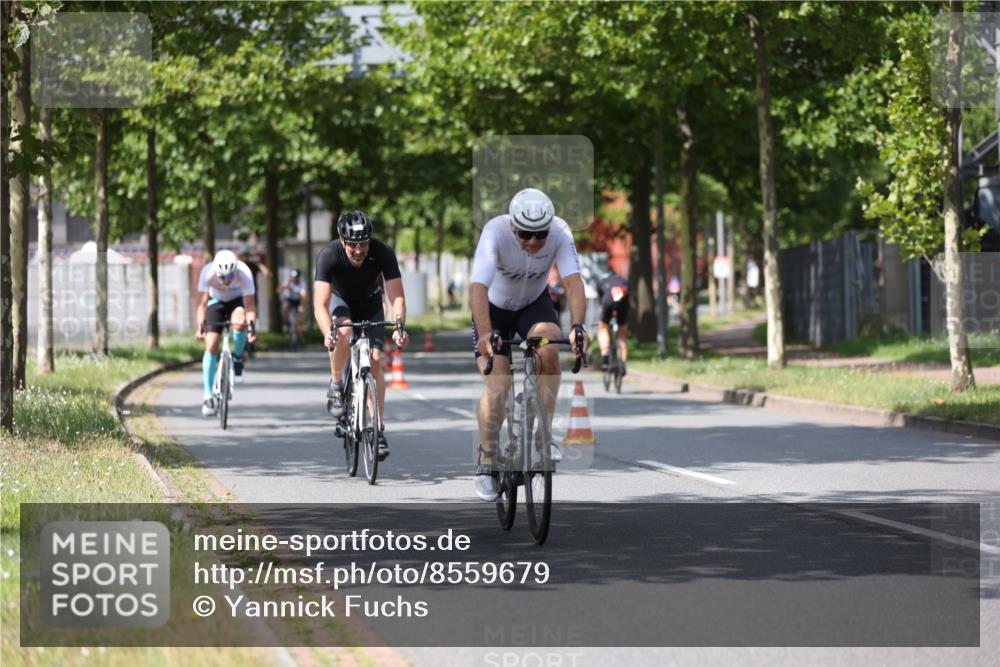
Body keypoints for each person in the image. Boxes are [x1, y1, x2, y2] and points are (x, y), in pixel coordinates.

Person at [470, 188, 590, 501]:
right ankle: (487, 458)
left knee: (549, 348)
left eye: (540, 234)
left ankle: (542, 437)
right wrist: (485, 333)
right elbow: (478, 287)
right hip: (493, 309)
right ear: (513, 226)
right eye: (526, 234)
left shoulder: (561, 232)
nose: (534, 242)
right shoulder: (494, 231)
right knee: (498, 383)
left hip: (532, 306)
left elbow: (573, 282)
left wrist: (578, 327)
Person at [313, 210, 409, 458]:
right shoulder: (328, 255)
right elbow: (319, 304)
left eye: (363, 244)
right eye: (353, 245)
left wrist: (399, 327)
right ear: (342, 240)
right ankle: (336, 384)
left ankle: (377, 428)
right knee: (343, 331)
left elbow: (397, 296)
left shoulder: (382, 252)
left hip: (371, 303)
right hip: (340, 300)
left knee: (376, 361)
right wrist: (327, 333)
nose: (358, 250)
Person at [195, 249, 257, 416]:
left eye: (230, 276)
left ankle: (238, 358)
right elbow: (201, 305)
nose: (226, 281)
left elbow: (250, 306)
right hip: (216, 302)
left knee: (239, 323)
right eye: (222, 277)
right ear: (216, 272)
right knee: (211, 344)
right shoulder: (207, 273)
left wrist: (251, 328)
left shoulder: (244, 273)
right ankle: (208, 396)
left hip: (237, 302)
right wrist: (200, 327)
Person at [597, 271, 629, 372]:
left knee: (603, 328)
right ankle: (623, 364)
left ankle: (605, 358)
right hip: (623, 300)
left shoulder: (602, 281)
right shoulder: (623, 280)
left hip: (608, 299)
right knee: (621, 332)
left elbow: (601, 300)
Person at [277, 268, 307, 340]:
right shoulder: (288, 282)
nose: (294, 278)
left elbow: (304, 295)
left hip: (298, 301)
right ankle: (287, 322)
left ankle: (299, 337)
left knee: (299, 320)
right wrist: (284, 286)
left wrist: (301, 306)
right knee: (285, 306)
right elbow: (278, 290)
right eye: (293, 277)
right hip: (290, 300)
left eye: (296, 277)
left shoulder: (302, 283)